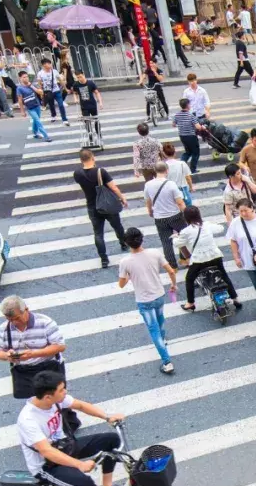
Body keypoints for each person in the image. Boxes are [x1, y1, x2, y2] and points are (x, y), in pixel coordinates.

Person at [14, 369, 126, 486]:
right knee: (86, 482)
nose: (65, 392)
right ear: (48, 397)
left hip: (65, 447)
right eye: (61, 390)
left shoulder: (55, 401)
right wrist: (79, 465)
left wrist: (107, 417)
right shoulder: (28, 420)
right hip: (47, 465)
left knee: (111, 439)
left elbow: (80, 405)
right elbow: (46, 451)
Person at [118, 227, 178, 375]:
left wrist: (129, 276)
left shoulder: (125, 262)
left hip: (144, 300)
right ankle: (163, 342)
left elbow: (121, 284)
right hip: (159, 295)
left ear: (127, 243)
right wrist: (173, 285)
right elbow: (171, 271)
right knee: (160, 320)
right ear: (142, 239)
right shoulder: (155, 253)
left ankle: (167, 361)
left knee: (153, 330)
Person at [0, 295, 68, 399]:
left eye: (17, 318)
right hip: (25, 372)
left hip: (48, 368)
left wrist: (33, 354)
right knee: (34, 403)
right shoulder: (4, 328)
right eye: (10, 320)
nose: (14, 322)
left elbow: (60, 346)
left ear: (26, 310)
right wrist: (7, 356)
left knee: (56, 401)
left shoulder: (45, 322)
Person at [176, 205, 241, 312]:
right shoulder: (206, 225)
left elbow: (177, 243)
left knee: (189, 279)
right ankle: (235, 299)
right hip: (215, 256)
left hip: (199, 260)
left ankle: (190, 303)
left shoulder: (186, 231)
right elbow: (220, 228)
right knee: (224, 275)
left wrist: (176, 237)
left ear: (186, 217)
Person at [73, 148, 128, 268]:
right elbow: (113, 188)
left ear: (81, 160)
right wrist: (122, 198)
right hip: (107, 205)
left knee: (98, 233)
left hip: (92, 207)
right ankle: (123, 243)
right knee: (117, 226)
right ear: (92, 157)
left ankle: (104, 259)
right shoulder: (100, 171)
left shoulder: (77, 173)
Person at [228, 199, 256, 295]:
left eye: (245, 210)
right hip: (247, 258)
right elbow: (233, 241)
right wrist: (236, 257)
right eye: (240, 211)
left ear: (252, 208)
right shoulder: (235, 223)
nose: (243, 213)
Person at [15, 71, 50, 141]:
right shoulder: (19, 88)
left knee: (36, 120)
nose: (26, 78)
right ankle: (46, 136)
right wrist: (22, 111)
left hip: (36, 105)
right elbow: (20, 100)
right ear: (20, 78)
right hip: (30, 108)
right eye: (24, 77)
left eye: (27, 76)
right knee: (38, 121)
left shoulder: (31, 85)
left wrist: (31, 86)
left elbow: (40, 92)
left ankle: (35, 133)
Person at [171, 98, 202, 175]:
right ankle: (192, 169)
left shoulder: (177, 115)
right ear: (188, 105)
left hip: (182, 136)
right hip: (191, 136)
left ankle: (181, 166)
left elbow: (173, 125)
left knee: (188, 152)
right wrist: (202, 127)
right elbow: (198, 127)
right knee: (195, 153)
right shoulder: (190, 115)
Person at [36, 58, 68, 125]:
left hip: (56, 90)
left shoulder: (54, 71)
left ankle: (64, 119)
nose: (50, 65)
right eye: (48, 64)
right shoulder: (40, 73)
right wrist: (41, 92)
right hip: (47, 91)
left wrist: (65, 88)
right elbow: (39, 83)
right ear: (44, 65)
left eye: (50, 63)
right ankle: (54, 116)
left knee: (61, 105)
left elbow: (60, 80)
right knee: (51, 105)